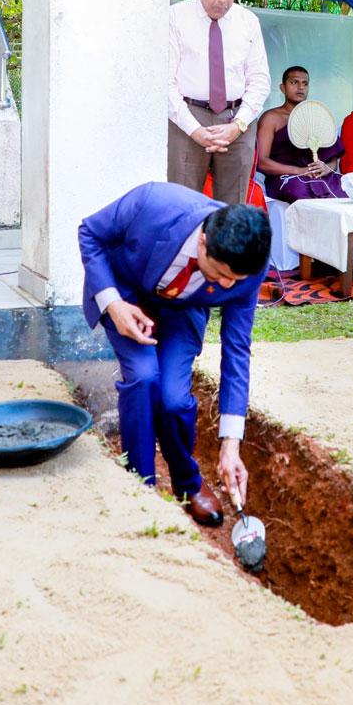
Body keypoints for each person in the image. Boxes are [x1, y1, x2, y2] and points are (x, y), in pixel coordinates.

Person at [78, 181, 271, 526]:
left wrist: (230, 445)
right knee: (143, 377)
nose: (228, 287)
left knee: (175, 400)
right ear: (203, 242)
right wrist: (115, 304)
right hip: (127, 296)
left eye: (236, 280)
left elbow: (236, 350)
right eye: (222, 275)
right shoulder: (153, 203)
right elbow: (90, 232)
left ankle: (188, 485)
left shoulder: (247, 264)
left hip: (184, 309)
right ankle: (140, 488)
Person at [168, 0, 271, 203]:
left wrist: (239, 125)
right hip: (188, 118)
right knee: (183, 208)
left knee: (233, 213)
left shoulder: (248, 21)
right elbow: (165, 83)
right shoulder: (175, 18)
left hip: (237, 119)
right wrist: (194, 130)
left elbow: (260, 80)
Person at [256, 65, 347, 202]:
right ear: (283, 87)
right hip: (287, 178)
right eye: (294, 82)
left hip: (319, 176)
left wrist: (325, 168)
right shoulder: (271, 118)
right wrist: (299, 171)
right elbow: (262, 162)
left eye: (305, 83)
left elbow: (333, 161)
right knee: (298, 191)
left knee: (348, 188)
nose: (300, 87)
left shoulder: (316, 115)